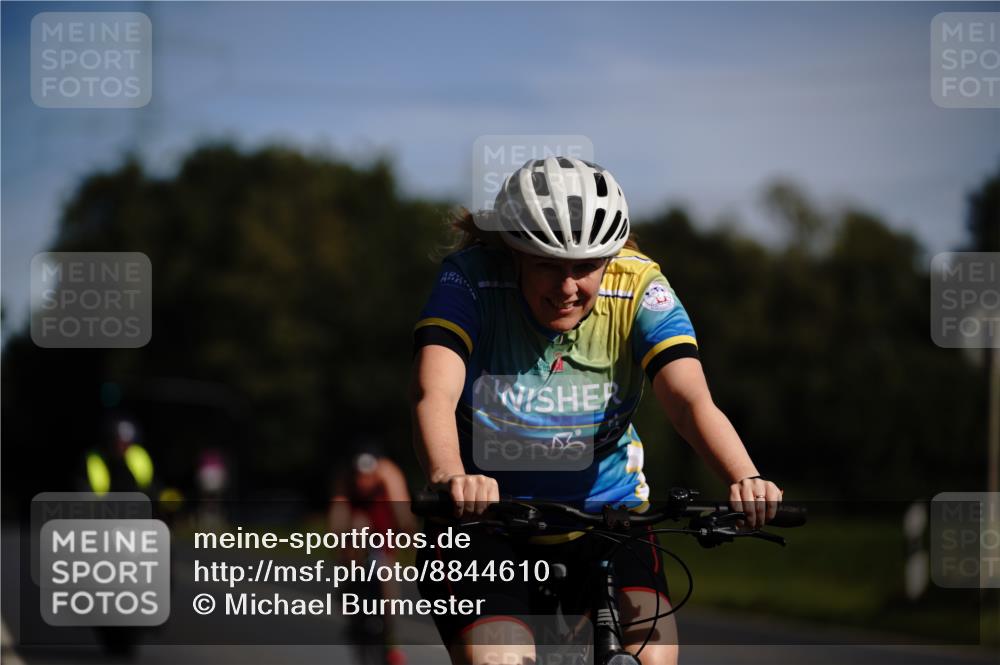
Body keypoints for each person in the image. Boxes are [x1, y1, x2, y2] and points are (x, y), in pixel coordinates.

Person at [410, 157, 783, 665]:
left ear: (610, 257)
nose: (567, 288)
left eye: (585, 268)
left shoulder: (638, 286)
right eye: (547, 265)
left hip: (607, 515)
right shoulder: (471, 281)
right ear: (513, 253)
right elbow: (434, 393)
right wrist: (451, 475)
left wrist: (744, 477)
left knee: (652, 655)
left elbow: (689, 400)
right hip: (485, 522)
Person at [329, 445, 415, 665]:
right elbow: (338, 511)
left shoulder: (389, 472)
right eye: (359, 476)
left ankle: (392, 637)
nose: (363, 482)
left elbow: (401, 510)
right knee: (352, 540)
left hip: (382, 522)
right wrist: (339, 540)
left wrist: (408, 535)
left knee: (386, 570)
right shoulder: (345, 477)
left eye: (368, 477)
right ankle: (349, 594)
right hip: (357, 519)